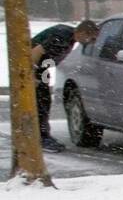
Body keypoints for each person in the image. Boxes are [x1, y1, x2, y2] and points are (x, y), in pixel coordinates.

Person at [30, 20, 99, 152]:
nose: (92, 42)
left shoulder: (69, 38)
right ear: (83, 32)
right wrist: (31, 75)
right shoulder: (62, 36)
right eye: (92, 38)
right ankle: (41, 138)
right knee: (41, 103)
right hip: (33, 69)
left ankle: (42, 136)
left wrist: (44, 75)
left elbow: (48, 58)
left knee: (43, 101)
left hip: (42, 70)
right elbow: (36, 52)